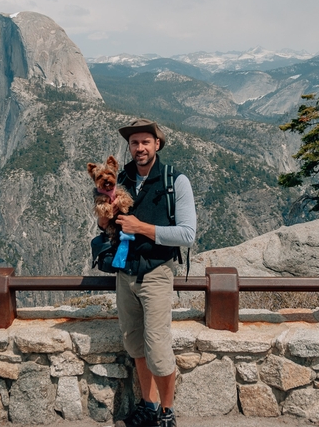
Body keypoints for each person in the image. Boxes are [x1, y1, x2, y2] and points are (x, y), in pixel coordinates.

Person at [98, 119, 196, 427]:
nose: (139, 148)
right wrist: (104, 221)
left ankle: (167, 413)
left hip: (156, 272)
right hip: (125, 272)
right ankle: (150, 405)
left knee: (157, 347)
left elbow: (187, 234)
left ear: (157, 145)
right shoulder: (120, 178)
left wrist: (142, 228)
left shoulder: (174, 181)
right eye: (134, 143)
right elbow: (105, 223)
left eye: (145, 142)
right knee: (135, 343)